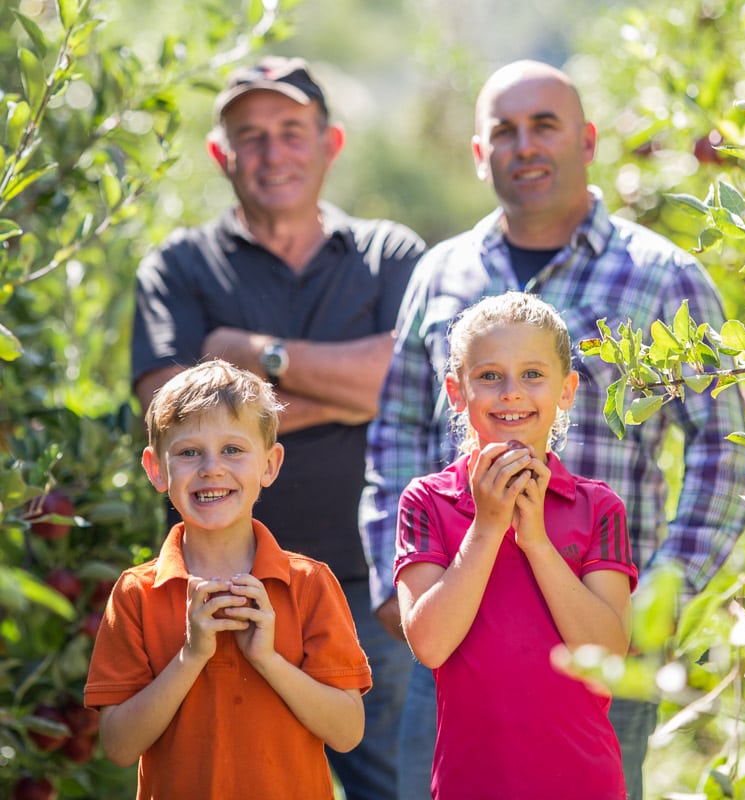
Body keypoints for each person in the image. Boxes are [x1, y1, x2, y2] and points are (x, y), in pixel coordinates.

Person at [360, 60, 745, 800]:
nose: (524, 145)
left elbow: (721, 444)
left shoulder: (663, 276)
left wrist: (662, 593)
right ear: (479, 154)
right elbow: (399, 429)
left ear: (588, 141)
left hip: (596, 628)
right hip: (459, 626)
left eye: (545, 125)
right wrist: (398, 575)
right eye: (503, 131)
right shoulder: (441, 274)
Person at [132, 56, 425, 799]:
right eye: (250, 136)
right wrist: (354, 389)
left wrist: (252, 357)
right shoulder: (177, 267)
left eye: (291, 131)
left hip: (372, 587)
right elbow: (168, 409)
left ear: (330, 143)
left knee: (388, 784)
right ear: (220, 155)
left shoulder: (389, 255)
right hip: (212, 591)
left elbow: (409, 386)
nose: (272, 152)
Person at [84, 360, 372, 799]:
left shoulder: (310, 583)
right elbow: (120, 747)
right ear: (156, 469)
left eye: (233, 450)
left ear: (270, 465)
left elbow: (348, 732)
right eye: (188, 452)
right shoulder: (136, 593)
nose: (211, 468)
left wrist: (269, 660)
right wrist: (191, 655)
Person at [396, 292, 637, 799]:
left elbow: (607, 655)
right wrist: (486, 528)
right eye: (489, 376)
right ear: (456, 392)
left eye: (532, 374)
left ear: (566, 390)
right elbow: (431, 644)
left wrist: (537, 543)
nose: (511, 393)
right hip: (470, 783)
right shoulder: (426, 501)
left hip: (584, 782)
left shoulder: (599, 508)